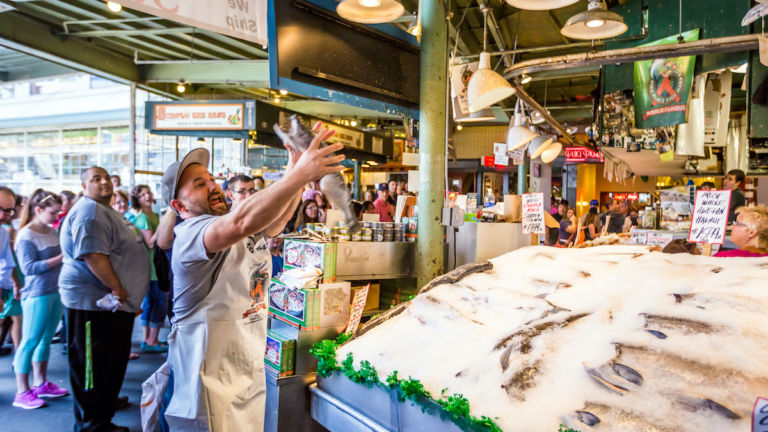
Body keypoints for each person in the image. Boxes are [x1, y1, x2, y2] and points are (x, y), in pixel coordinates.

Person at [162, 125, 342, 430]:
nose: (212, 186)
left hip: (245, 367)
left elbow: (277, 219)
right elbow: (242, 220)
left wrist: (295, 167)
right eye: (198, 184)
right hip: (205, 382)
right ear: (180, 206)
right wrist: (298, 175)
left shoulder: (233, 223)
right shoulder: (191, 235)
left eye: (210, 179)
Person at [59, 166, 150, 432]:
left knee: (110, 362)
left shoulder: (105, 210)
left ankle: (104, 407)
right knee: (93, 366)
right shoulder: (89, 212)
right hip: (93, 304)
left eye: (106, 177)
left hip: (112, 304)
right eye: (95, 179)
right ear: (84, 187)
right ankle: (93, 424)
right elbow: (93, 256)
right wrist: (119, 290)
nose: (104, 182)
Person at [12, 190, 68, 409]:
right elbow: (29, 268)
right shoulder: (26, 235)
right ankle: (22, 392)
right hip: (37, 293)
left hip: (54, 291)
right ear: (39, 210)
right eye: (53, 212)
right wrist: (61, 258)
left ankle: (40, 383)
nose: (57, 217)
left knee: (44, 340)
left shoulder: (51, 231)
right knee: (29, 342)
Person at [131, 185, 167, 353]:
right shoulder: (145, 218)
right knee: (158, 303)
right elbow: (151, 243)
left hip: (154, 266)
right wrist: (165, 224)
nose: (146, 196)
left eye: (148, 193)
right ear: (137, 199)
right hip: (153, 267)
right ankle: (152, 340)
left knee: (151, 303)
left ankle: (148, 338)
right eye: (142, 194)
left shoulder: (151, 215)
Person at [111, 190, 142, 361]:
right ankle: (117, 349)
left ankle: (124, 347)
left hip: (130, 278)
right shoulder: (111, 224)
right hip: (118, 279)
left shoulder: (128, 222)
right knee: (116, 318)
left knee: (127, 318)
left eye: (124, 202)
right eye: (118, 202)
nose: (122, 205)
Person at [0, 186, 23, 355]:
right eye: (0, 209)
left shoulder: (3, 233)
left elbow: (8, 263)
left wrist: (15, 283)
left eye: (8, 211)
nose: (3, 215)